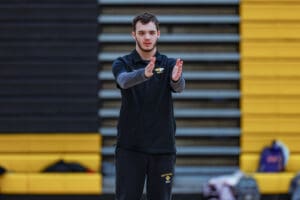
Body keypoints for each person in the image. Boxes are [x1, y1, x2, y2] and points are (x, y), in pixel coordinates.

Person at [112, 12, 185, 200]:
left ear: (158, 34)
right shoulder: (122, 63)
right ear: (133, 35)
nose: (147, 37)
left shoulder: (168, 64)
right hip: (130, 149)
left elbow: (179, 87)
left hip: (163, 150)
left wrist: (176, 79)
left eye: (151, 32)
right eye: (142, 32)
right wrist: (143, 74)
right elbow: (123, 81)